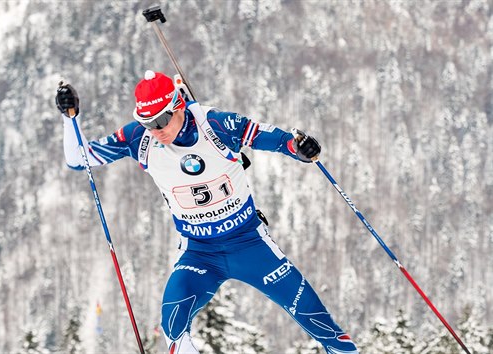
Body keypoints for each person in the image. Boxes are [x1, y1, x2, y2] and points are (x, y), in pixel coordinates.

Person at [56, 70, 359, 354]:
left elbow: (278, 140)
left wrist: (300, 148)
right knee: (173, 326)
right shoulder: (139, 138)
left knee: (317, 321)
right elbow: (78, 158)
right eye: (148, 122)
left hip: (249, 243)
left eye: (162, 120)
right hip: (199, 252)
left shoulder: (216, 125)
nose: (157, 130)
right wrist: (70, 118)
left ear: (178, 106)